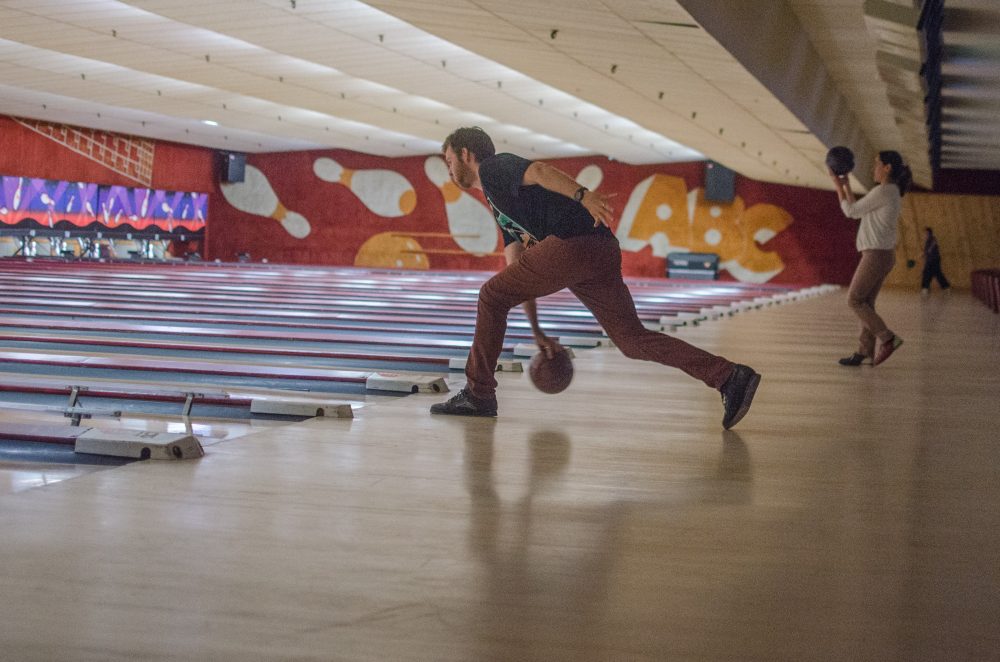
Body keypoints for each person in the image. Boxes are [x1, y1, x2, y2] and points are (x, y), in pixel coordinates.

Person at [429, 127, 760, 429]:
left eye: (448, 160)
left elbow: (540, 171)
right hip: (599, 249)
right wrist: (537, 331)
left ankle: (479, 394)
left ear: (465, 155)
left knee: (490, 295)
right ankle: (728, 376)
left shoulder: (493, 167)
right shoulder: (500, 204)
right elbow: (515, 267)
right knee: (632, 340)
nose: (449, 170)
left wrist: (583, 195)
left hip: (573, 243)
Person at [830, 150, 912, 367]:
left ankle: (887, 338)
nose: (873, 168)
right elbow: (858, 210)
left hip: (876, 254)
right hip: (881, 254)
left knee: (854, 300)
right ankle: (864, 351)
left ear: (887, 168)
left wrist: (837, 184)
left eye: (877, 164)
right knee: (866, 303)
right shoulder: (888, 192)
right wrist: (846, 185)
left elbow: (850, 211)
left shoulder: (884, 191)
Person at [921, 227, 951, 296]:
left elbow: (934, 243)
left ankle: (945, 287)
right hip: (930, 260)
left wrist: (929, 250)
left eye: (925, 233)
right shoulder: (927, 241)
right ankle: (926, 288)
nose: (924, 234)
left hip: (935, 260)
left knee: (936, 274)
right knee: (928, 273)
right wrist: (924, 254)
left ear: (929, 233)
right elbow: (927, 251)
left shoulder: (932, 238)